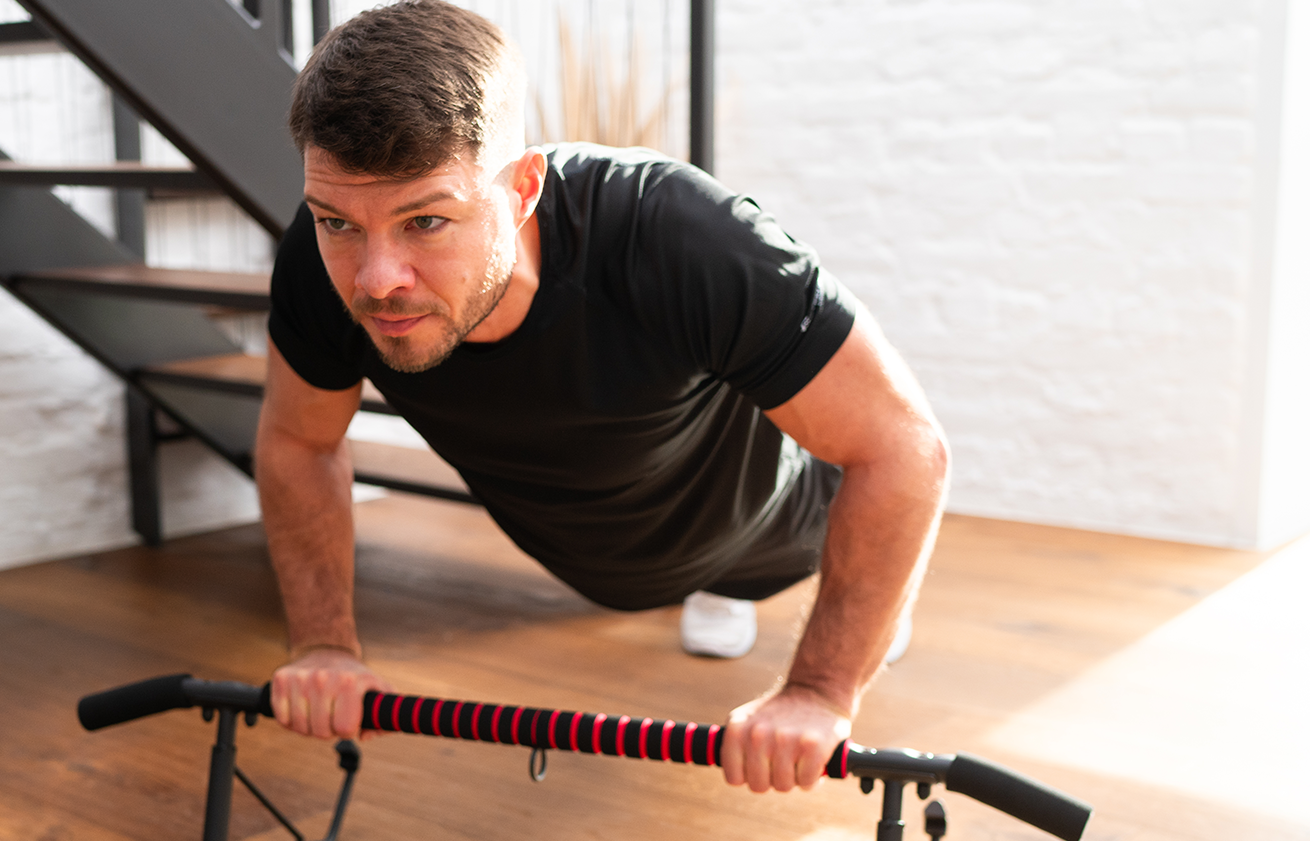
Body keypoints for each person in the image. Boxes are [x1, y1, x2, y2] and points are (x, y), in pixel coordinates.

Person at [255, 0, 948, 794]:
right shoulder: (316, 265)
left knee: (816, 590)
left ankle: (780, 600)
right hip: (599, 560)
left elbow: (903, 449)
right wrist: (323, 645)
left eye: (426, 221)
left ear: (521, 191)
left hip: (774, 527)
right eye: (338, 221)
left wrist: (824, 687)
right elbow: (298, 441)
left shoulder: (682, 236)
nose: (377, 280)